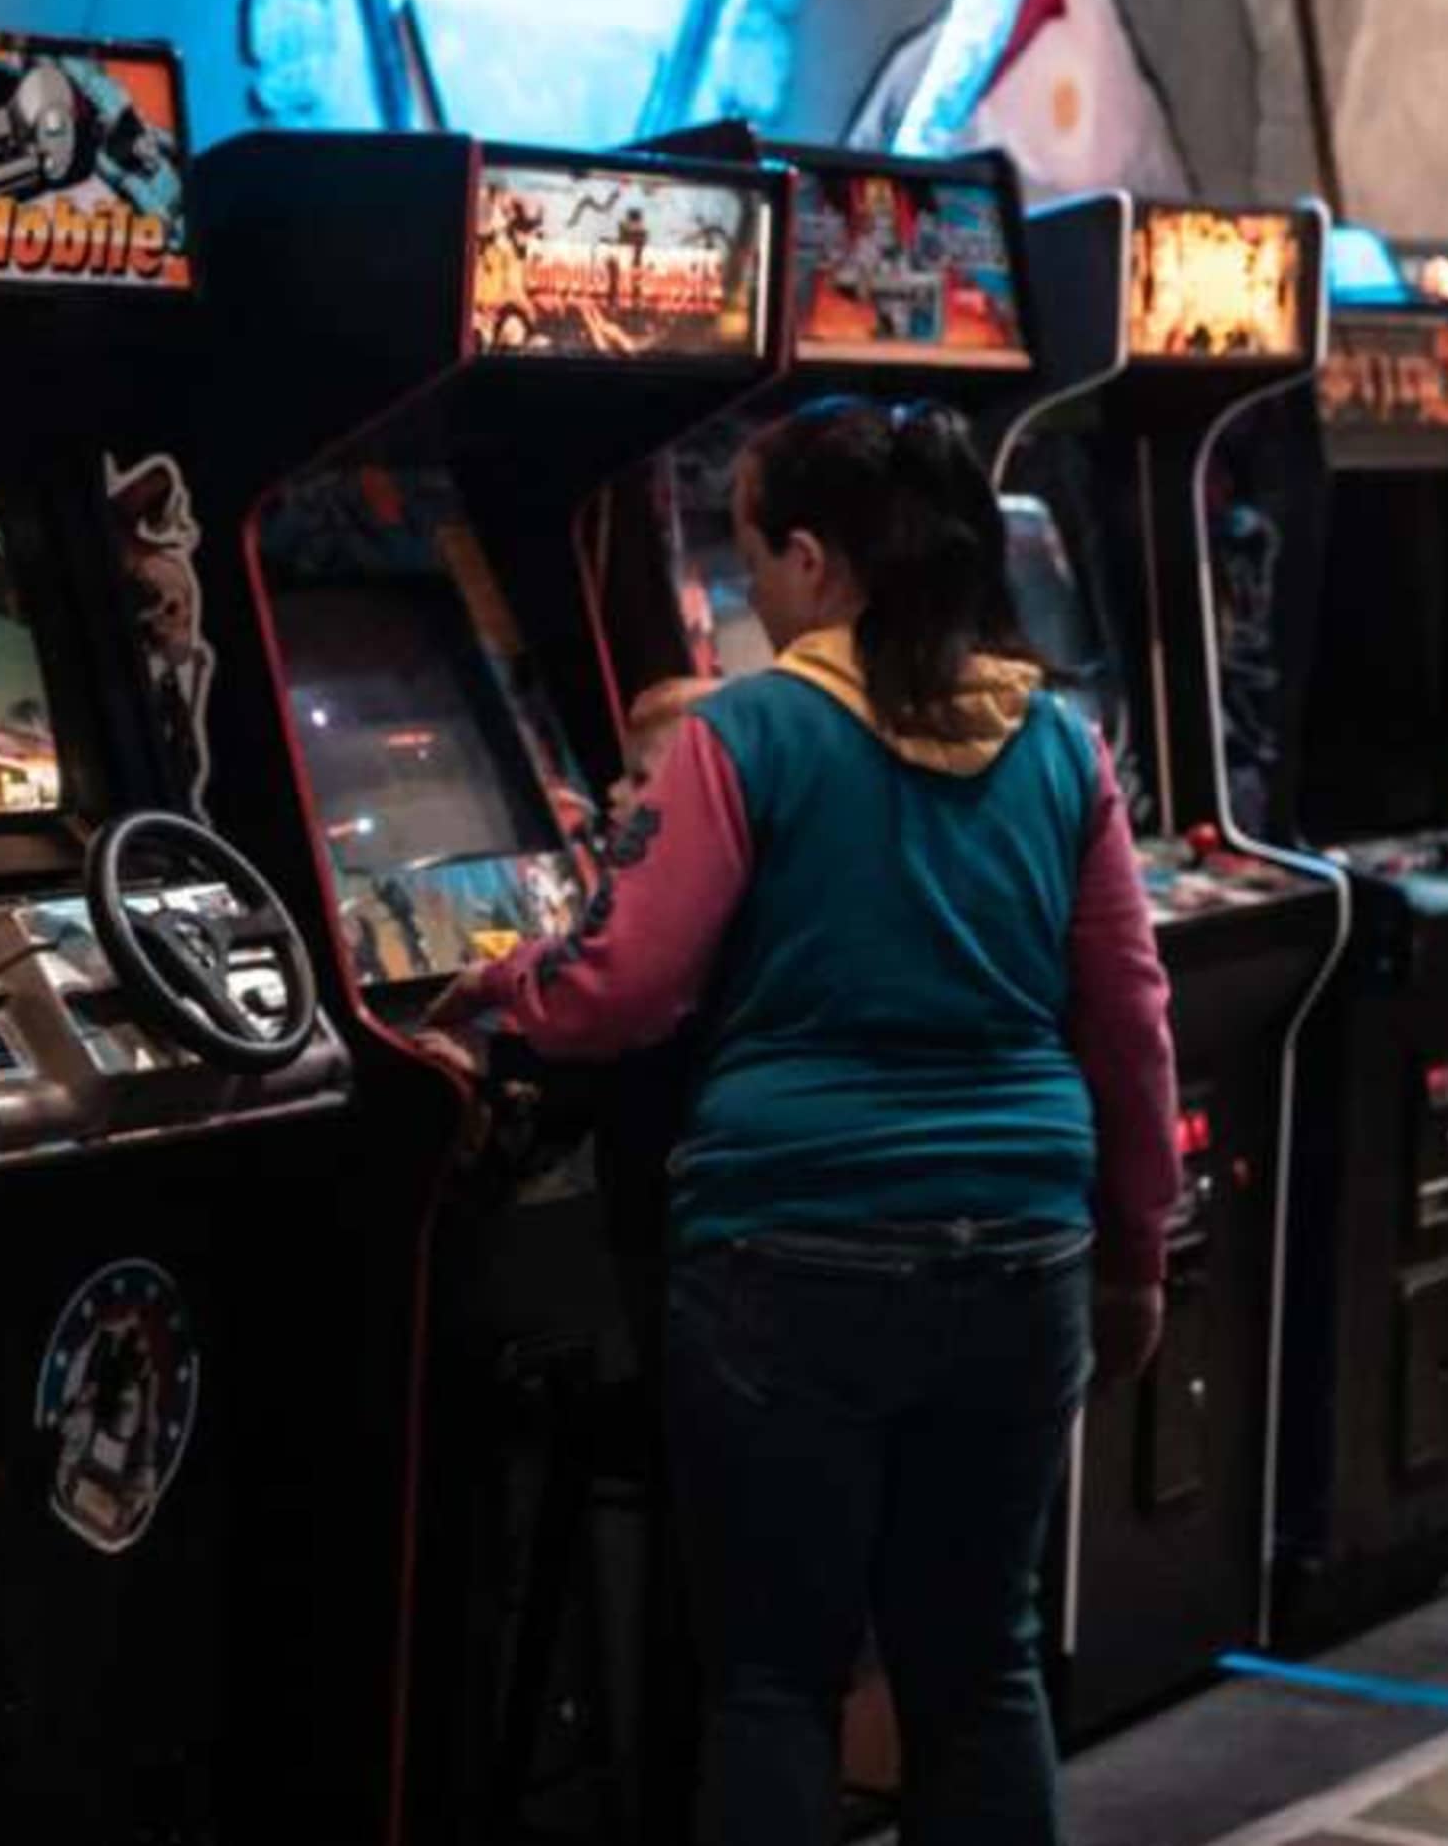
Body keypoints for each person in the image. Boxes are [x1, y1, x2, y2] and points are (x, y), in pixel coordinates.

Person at [434, 398, 1175, 1846]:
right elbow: (1130, 1017)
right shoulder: (1059, 746)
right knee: (982, 1673)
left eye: (752, 552)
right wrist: (1137, 1249)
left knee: (775, 1682)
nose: (746, 588)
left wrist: (495, 995)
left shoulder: (751, 732)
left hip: (791, 1252)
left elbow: (625, 983)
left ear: (817, 563)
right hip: (1022, 1250)